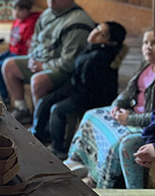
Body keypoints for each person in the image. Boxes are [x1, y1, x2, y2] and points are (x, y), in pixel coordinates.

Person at [65, 29, 155, 188]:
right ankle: (78, 162)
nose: (149, 47)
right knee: (92, 115)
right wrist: (117, 105)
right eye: (146, 43)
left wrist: (128, 119)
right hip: (131, 112)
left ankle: (101, 182)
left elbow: (152, 117)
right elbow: (129, 91)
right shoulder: (145, 64)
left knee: (116, 141)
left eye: (154, 43)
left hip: (143, 122)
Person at [3, 0, 95, 123]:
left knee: (38, 81)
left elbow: (70, 62)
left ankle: (41, 124)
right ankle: (22, 109)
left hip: (63, 69)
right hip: (41, 60)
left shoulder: (77, 22)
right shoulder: (47, 14)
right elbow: (35, 40)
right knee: (9, 65)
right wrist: (32, 58)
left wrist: (43, 66)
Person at [31, 21, 126, 159]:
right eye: (98, 28)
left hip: (89, 96)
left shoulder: (100, 57)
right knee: (46, 101)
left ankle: (58, 149)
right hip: (77, 87)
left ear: (111, 42)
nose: (96, 33)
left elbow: (98, 88)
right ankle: (37, 134)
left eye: (102, 34)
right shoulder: (92, 48)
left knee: (58, 109)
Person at [0, 0, 40, 104]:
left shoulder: (30, 24)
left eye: (17, 10)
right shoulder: (18, 21)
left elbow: (28, 46)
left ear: (25, 11)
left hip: (20, 54)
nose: (14, 12)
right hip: (12, 50)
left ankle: (4, 97)